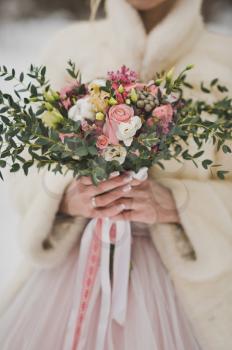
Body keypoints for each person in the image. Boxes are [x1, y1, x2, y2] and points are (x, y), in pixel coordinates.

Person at [0, 0, 232, 349]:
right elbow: (26, 169)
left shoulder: (223, 62)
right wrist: (61, 195)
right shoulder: (70, 49)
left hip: (188, 298)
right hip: (67, 278)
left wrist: (178, 204)